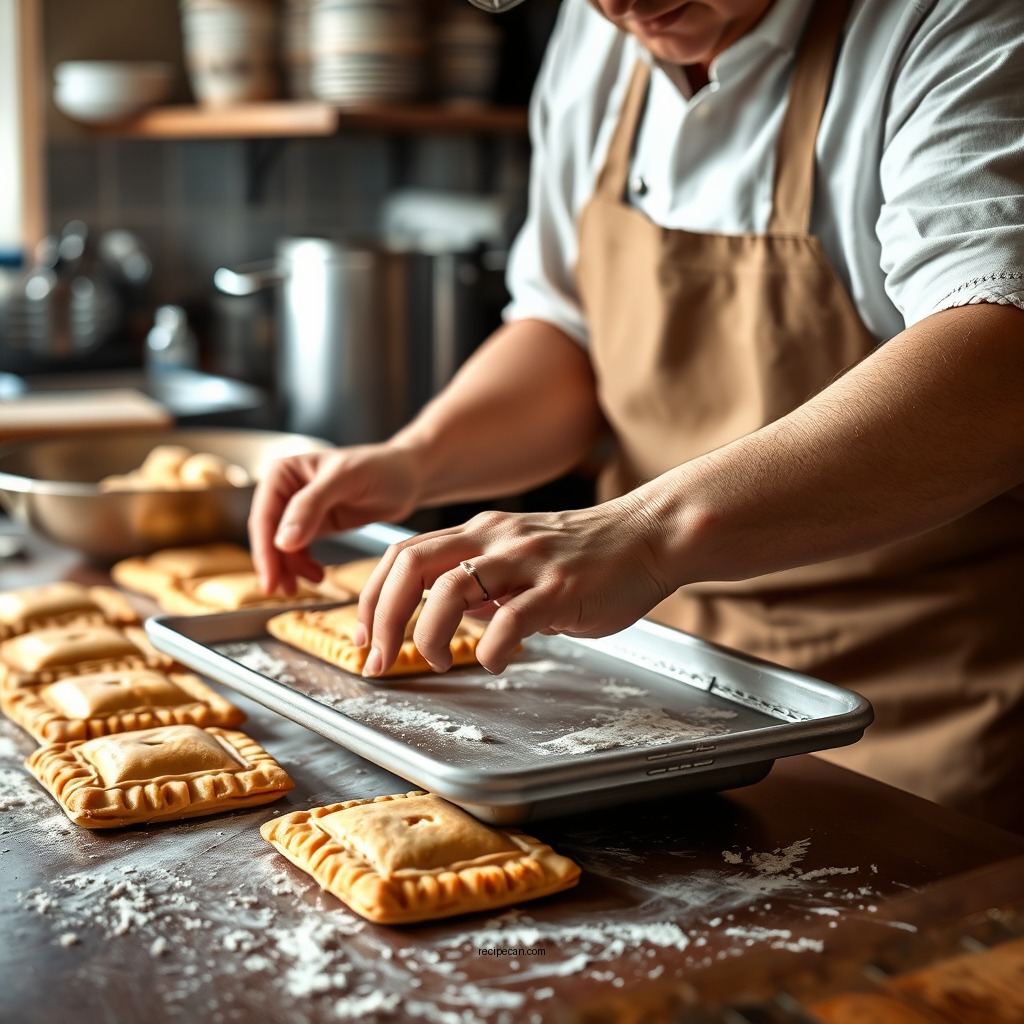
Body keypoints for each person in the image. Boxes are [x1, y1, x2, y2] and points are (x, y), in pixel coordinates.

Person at [251, 0, 1024, 833]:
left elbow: (998, 357)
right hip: (659, 680)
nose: (620, 4)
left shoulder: (952, 19)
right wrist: (417, 458)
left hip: (916, 700)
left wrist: (646, 534)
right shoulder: (599, 31)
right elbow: (569, 332)